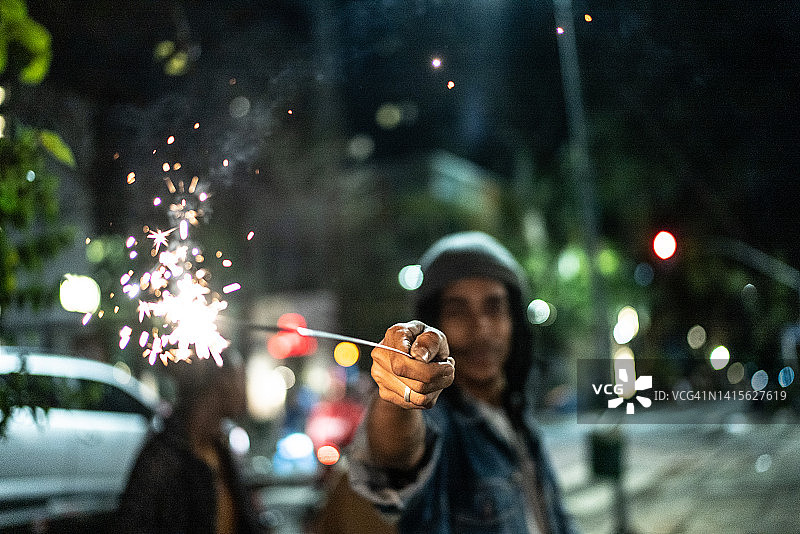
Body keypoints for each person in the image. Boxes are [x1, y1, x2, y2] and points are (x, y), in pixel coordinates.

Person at [349, 231, 577, 533]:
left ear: (514, 322)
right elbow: (395, 459)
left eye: (494, 307)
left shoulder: (518, 417)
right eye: (457, 311)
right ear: (434, 323)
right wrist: (399, 398)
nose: (480, 329)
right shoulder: (438, 422)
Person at [116, 347, 268, 534]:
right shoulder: (164, 457)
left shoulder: (220, 452)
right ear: (219, 383)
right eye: (239, 377)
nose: (243, 387)